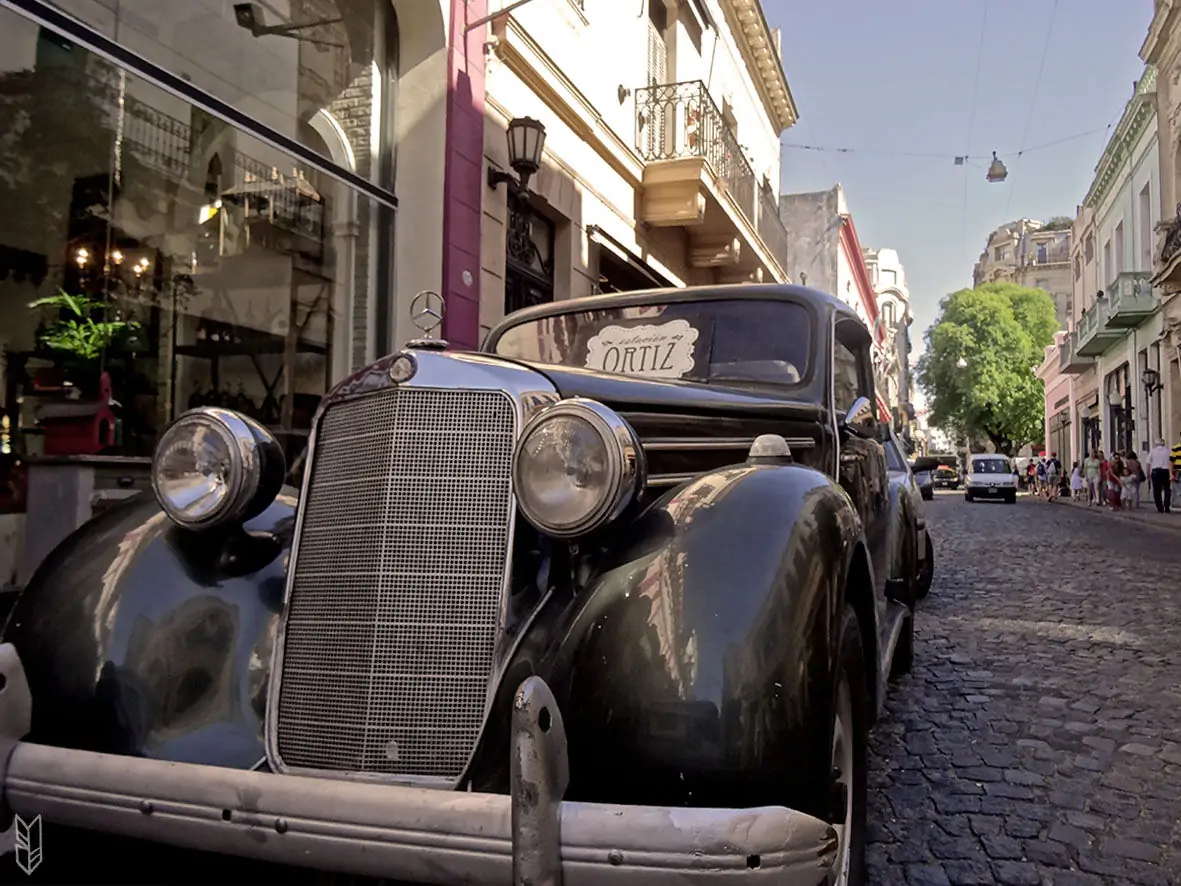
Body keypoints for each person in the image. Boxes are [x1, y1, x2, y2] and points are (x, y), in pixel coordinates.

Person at [1147, 437, 1173, 513]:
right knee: (1167, 489)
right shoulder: (1167, 451)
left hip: (1156, 471)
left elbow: (1148, 463)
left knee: (1156, 490)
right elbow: (1171, 462)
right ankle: (1167, 506)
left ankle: (1159, 507)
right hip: (1165, 471)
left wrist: (1147, 473)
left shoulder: (1153, 451)